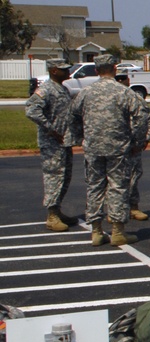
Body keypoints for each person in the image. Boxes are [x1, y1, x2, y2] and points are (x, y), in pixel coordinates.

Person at [66, 54, 149, 247]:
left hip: (93, 147)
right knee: (118, 186)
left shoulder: (86, 92)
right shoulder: (124, 92)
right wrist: (137, 140)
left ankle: (96, 231)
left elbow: (73, 116)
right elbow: (141, 116)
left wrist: (80, 138)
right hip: (118, 147)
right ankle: (118, 231)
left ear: (96, 70)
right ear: (114, 68)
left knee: (94, 187)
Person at [25, 58, 78, 232]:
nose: (68, 72)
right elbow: (32, 110)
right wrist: (50, 128)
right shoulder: (46, 89)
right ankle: (51, 215)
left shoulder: (62, 89)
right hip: (52, 142)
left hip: (64, 141)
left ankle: (57, 209)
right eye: (63, 69)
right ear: (54, 71)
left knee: (64, 177)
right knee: (54, 177)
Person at [114, 72, 150, 221]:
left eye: (123, 79)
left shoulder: (136, 98)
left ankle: (133, 207)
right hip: (115, 146)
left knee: (134, 177)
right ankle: (115, 210)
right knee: (114, 179)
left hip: (133, 146)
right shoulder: (108, 99)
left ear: (128, 80)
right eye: (117, 79)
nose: (120, 81)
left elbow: (148, 119)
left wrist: (145, 139)